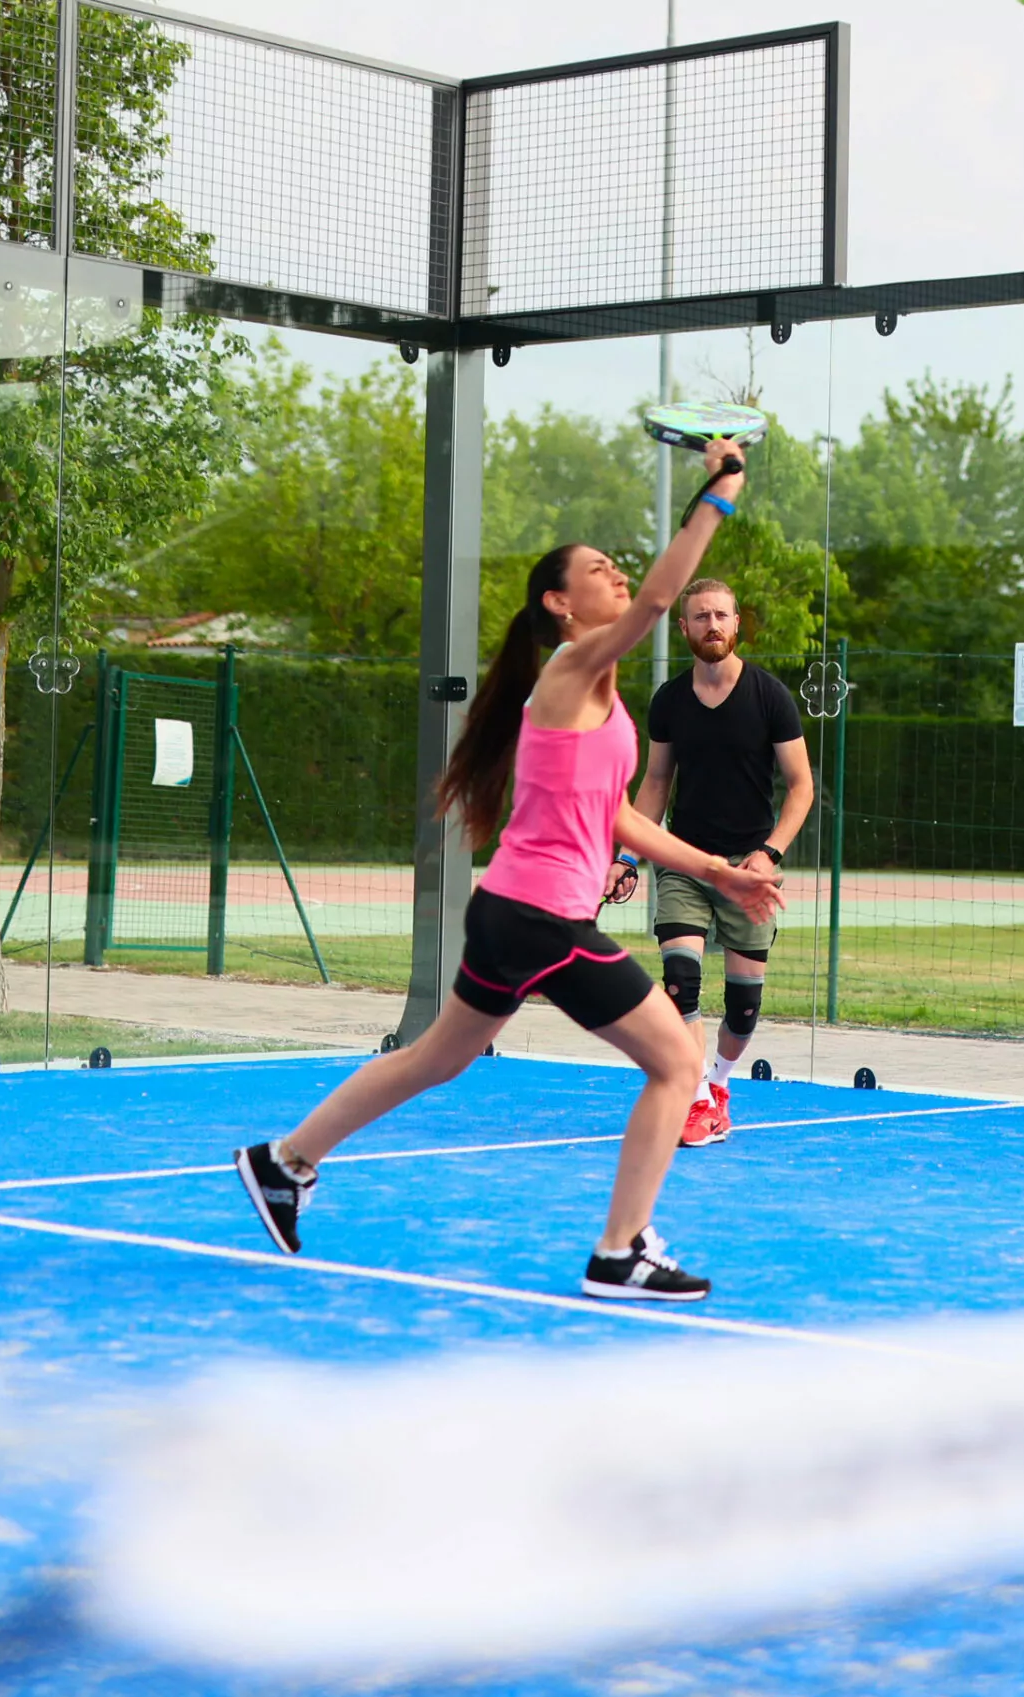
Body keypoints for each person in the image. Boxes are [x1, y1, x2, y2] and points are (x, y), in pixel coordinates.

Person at [232, 438, 778, 1302]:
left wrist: (720, 871)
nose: (620, 576)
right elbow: (668, 594)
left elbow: (620, 817)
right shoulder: (570, 667)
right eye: (601, 569)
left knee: (434, 1058)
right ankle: (620, 1250)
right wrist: (721, 491)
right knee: (678, 1063)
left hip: (513, 914)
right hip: (541, 920)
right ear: (562, 603)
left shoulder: (593, 692)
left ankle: (283, 1159)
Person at [629, 579, 813, 1147]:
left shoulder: (770, 696)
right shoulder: (669, 700)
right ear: (683, 628)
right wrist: (627, 856)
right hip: (684, 859)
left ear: (736, 625)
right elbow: (655, 783)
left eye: (721, 616)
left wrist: (769, 854)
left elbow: (801, 786)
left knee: (744, 1007)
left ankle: (718, 1081)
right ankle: (696, 1101)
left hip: (748, 871)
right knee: (681, 982)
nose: (712, 625)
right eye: (700, 617)